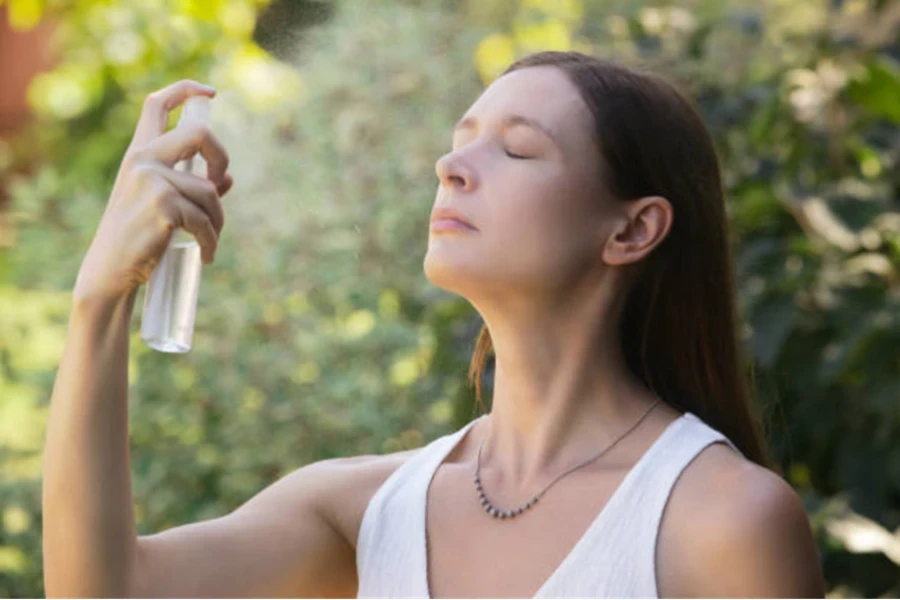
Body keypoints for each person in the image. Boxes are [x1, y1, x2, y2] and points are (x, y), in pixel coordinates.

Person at [42, 51, 825, 598]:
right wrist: (98, 301)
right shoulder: (363, 512)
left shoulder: (720, 521)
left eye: (517, 150)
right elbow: (103, 591)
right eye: (460, 142)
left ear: (630, 231)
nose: (452, 168)